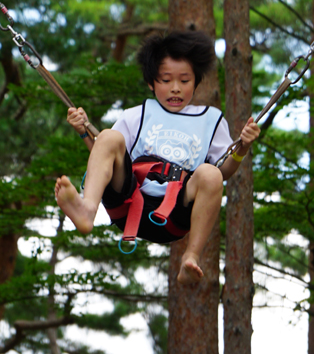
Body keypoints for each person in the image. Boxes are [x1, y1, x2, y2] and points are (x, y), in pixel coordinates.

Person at [55, 31, 260, 285]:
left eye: (185, 80)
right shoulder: (137, 114)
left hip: (176, 212)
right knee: (108, 137)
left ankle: (191, 258)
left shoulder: (211, 119)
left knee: (211, 173)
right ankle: (87, 209)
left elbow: (225, 171)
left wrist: (242, 147)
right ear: (152, 82)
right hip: (129, 200)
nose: (176, 88)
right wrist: (84, 131)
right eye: (166, 80)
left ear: (196, 82)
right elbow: (105, 155)